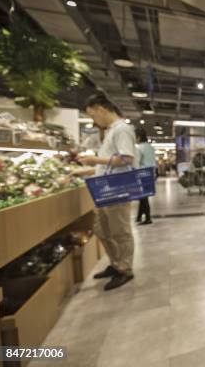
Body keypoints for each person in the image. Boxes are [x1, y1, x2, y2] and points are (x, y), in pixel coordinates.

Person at [76, 94, 137, 291]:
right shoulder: (111, 132)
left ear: (101, 109)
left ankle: (125, 268)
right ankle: (116, 263)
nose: (94, 121)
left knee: (120, 230)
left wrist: (95, 161)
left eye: (93, 115)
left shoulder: (122, 130)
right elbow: (108, 165)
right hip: (105, 188)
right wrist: (85, 170)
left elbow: (127, 158)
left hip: (117, 188)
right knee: (103, 229)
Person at [135, 127, 156, 225]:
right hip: (150, 172)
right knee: (143, 196)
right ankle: (139, 217)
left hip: (141, 174)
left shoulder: (139, 148)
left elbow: (136, 162)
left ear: (138, 137)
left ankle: (147, 218)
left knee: (143, 197)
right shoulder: (150, 147)